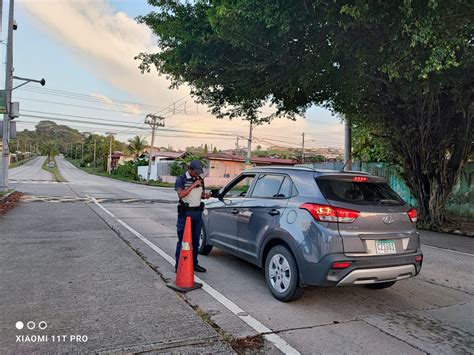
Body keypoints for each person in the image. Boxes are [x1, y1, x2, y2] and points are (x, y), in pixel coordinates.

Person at [174, 160, 210, 273]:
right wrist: (193, 185)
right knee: (183, 240)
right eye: (196, 172)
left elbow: (201, 195)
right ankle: (178, 265)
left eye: (199, 172)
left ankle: (194, 263)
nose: (198, 174)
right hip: (185, 214)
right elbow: (181, 194)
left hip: (197, 214)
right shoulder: (181, 179)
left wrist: (206, 195)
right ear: (189, 169)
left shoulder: (200, 180)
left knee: (195, 241)